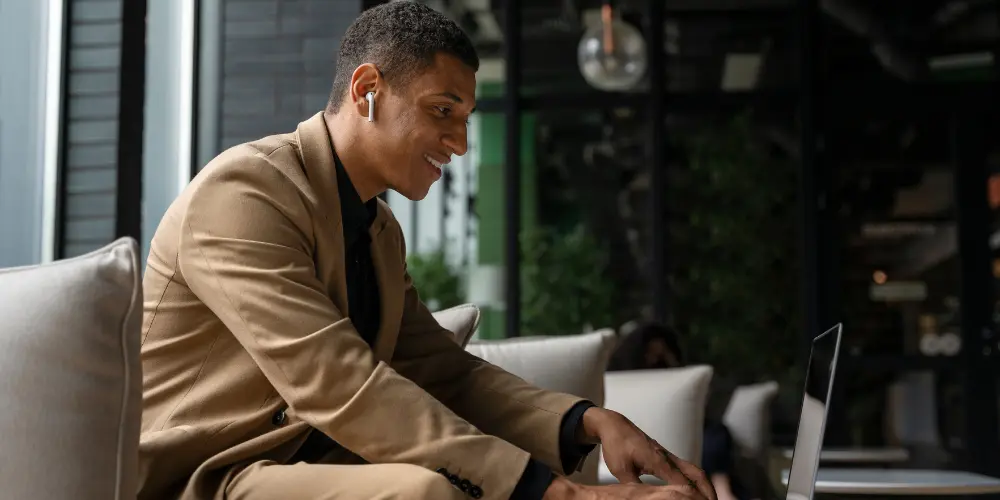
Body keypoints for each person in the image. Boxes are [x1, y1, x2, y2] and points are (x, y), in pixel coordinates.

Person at [137, 3, 717, 500]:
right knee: (423, 493)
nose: (460, 144)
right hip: (205, 476)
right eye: (443, 111)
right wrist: (553, 491)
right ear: (367, 91)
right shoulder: (244, 191)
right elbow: (337, 382)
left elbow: (445, 374)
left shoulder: (379, 231)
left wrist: (590, 422)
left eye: (466, 120)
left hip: (309, 470)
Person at [608, 323, 746, 500]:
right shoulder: (617, 384)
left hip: (690, 436)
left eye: (662, 355)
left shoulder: (682, 384)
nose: (655, 361)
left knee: (714, 433)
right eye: (650, 354)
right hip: (640, 436)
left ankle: (723, 489)